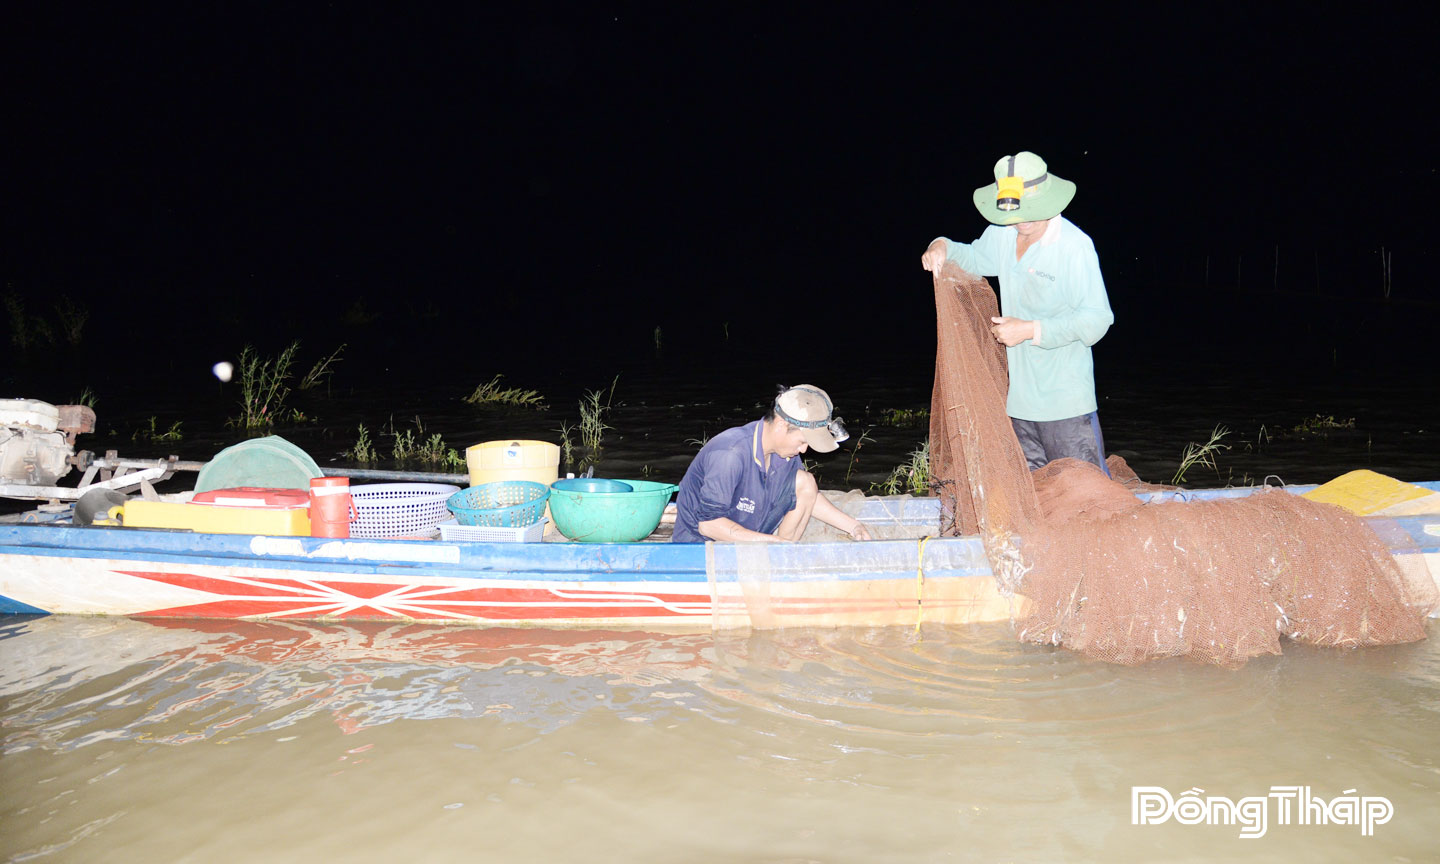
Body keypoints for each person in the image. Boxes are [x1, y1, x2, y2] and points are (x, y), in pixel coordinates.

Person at [921, 150, 1114, 473]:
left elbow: (1097, 320)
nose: (1021, 221)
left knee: (1085, 499)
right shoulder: (1004, 233)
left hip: (1066, 405)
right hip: (1020, 404)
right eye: (1015, 211)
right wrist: (941, 245)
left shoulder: (1074, 246)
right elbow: (972, 258)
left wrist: (1030, 330)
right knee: (1036, 498)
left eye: (1030, 211)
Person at [672, 385, 873, 543]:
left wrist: (852, 526)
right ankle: (778, 550)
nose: (804, 450)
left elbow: (807, 496)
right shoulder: (730, 454)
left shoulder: (783, 451)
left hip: (750, 526)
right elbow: (709, 526)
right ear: (781, 425)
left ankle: (779, 554)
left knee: (805, 481)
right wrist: (773, 542)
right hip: (703, 543)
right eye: (803, 442)